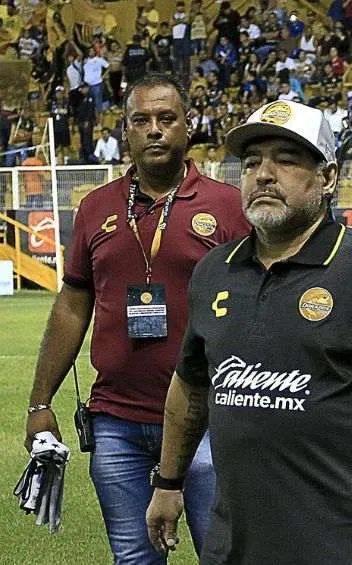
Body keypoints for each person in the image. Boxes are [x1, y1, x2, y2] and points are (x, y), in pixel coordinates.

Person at [145, 99, 352, 565]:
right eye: (252, 163)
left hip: (346, 542)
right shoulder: (215, 271)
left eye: (287, 160)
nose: (264, 174)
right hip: (235, 543)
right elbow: (190, 386)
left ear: (328, 178)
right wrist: (169, 482)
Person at [23, 73, 250, 564]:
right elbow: (72, 302)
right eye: (141, 120)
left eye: (167, 119)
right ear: (125, 130)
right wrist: (39, 403)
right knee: (134, 559)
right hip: (116, 422)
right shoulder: (94, 208)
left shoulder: (230, 207)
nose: (154, 130)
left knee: (224, 555)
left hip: (208, 417)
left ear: (189, 127)